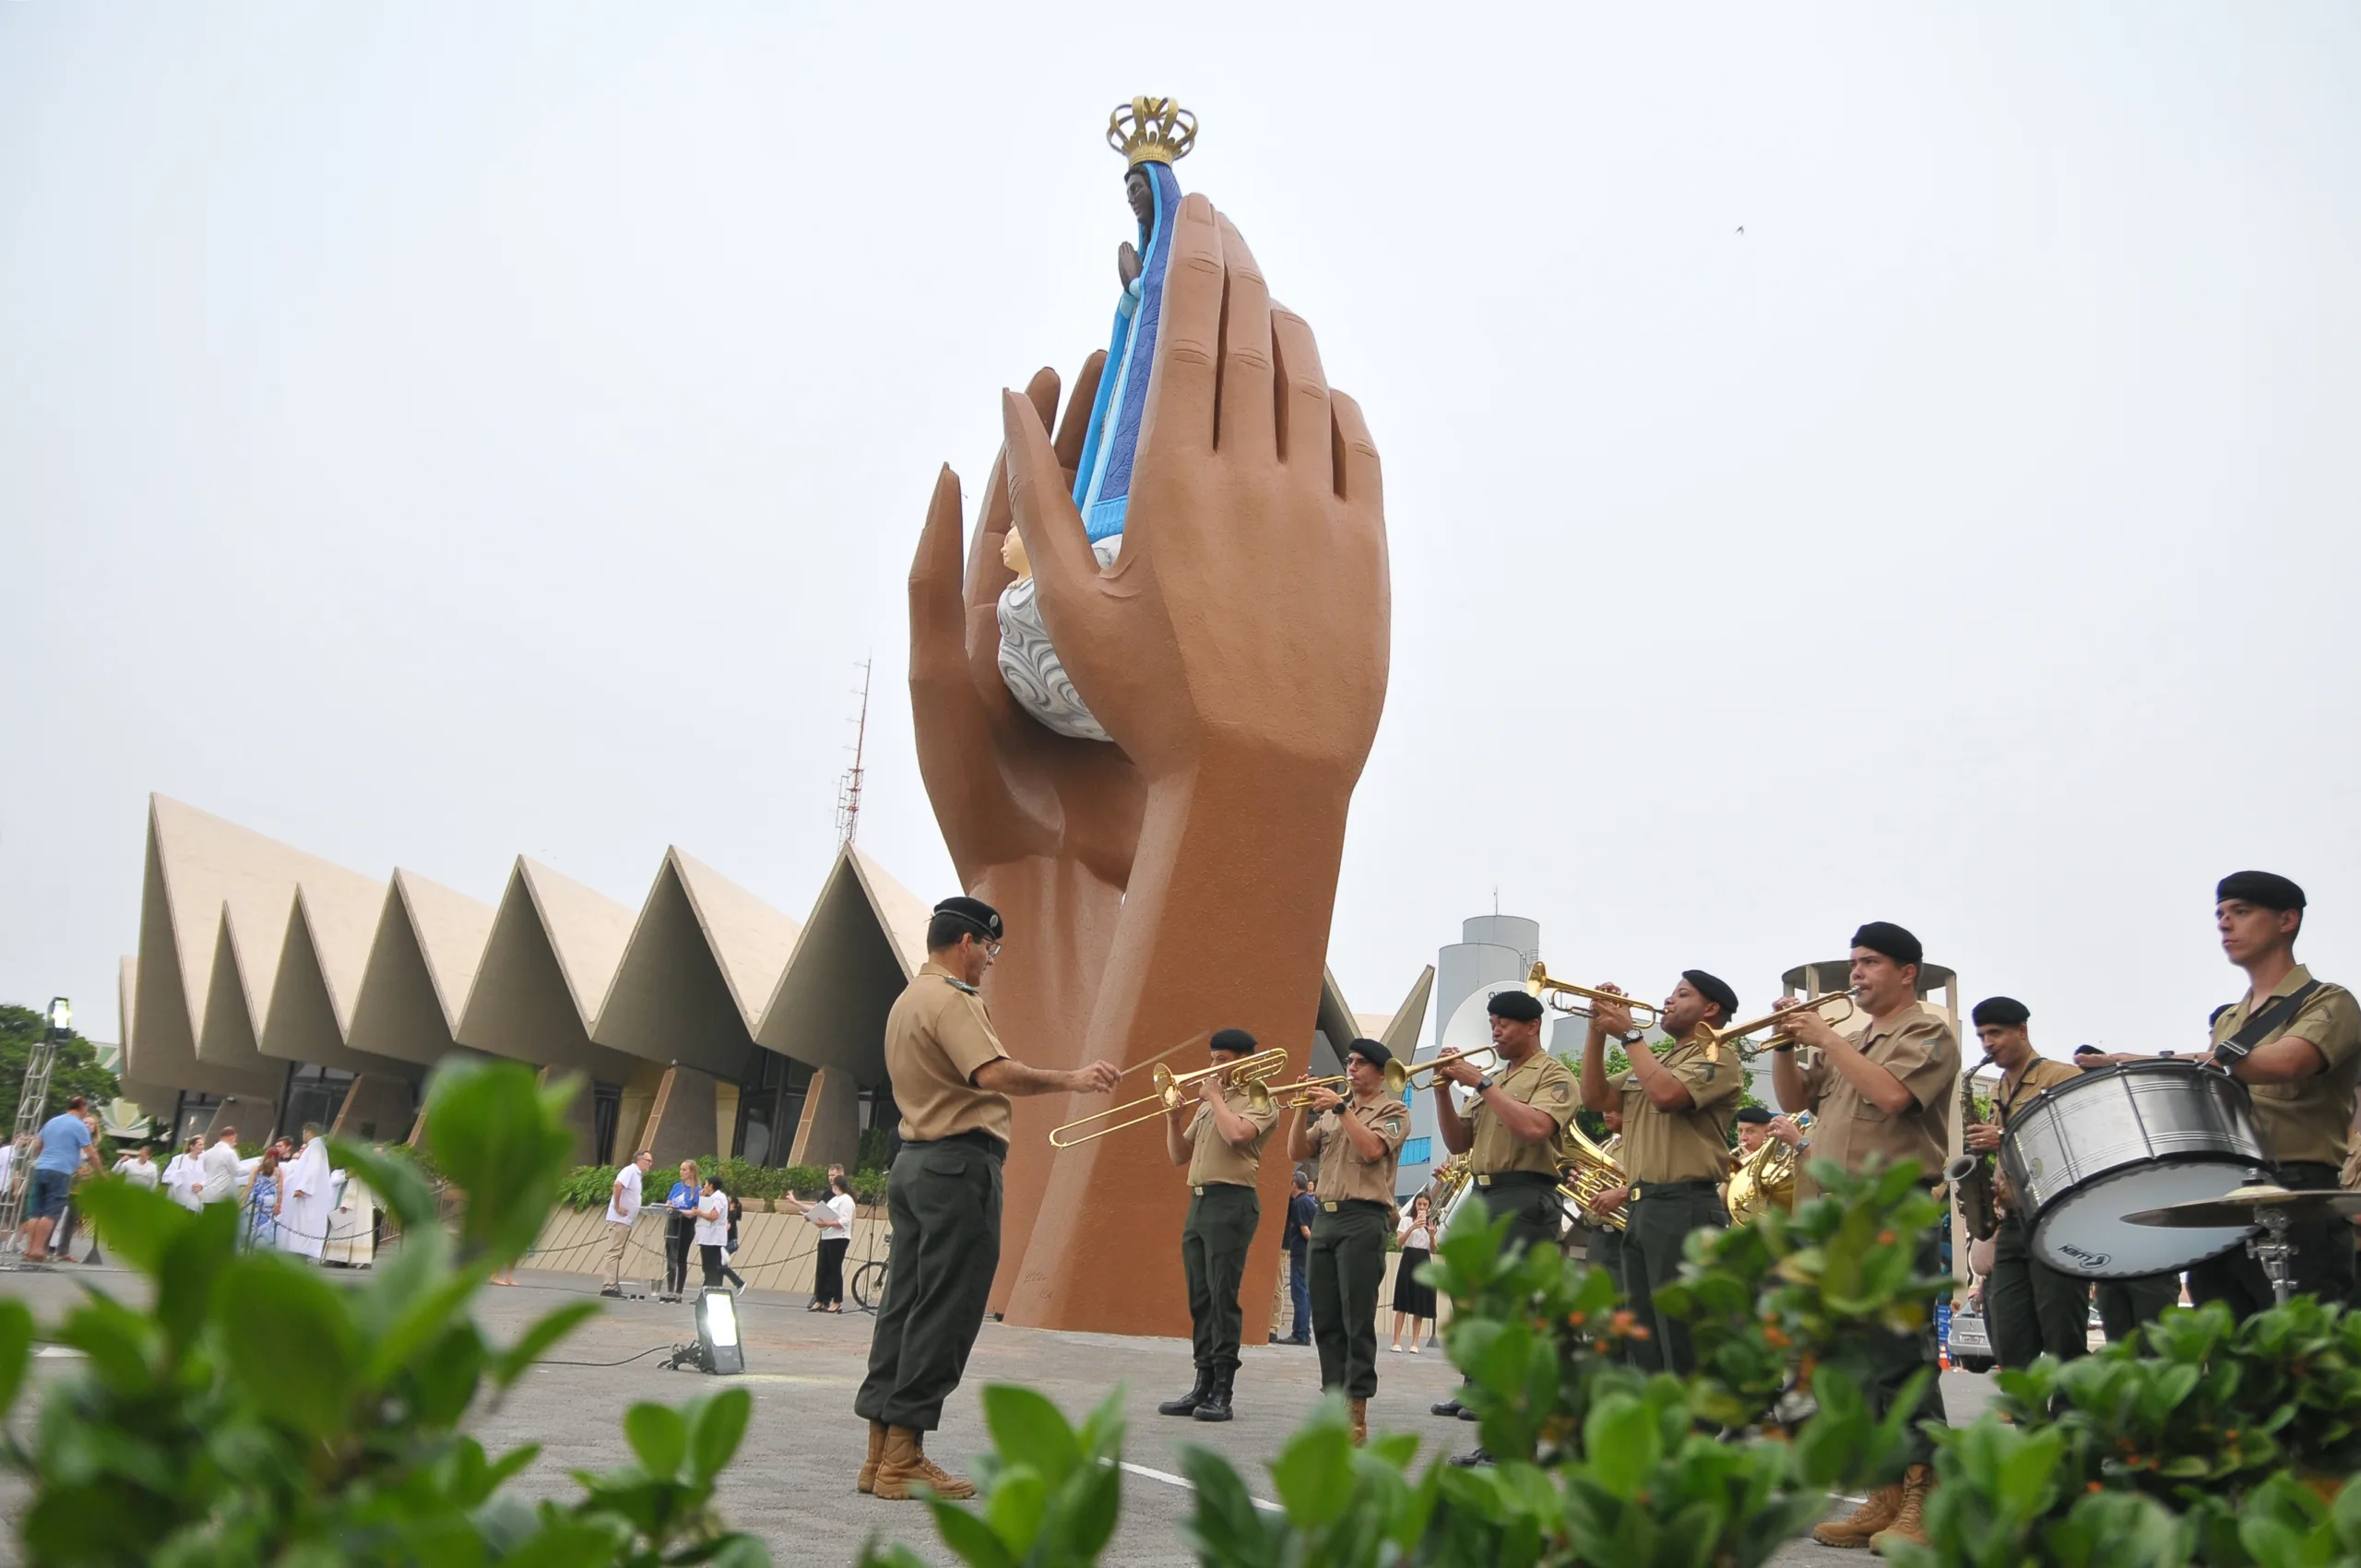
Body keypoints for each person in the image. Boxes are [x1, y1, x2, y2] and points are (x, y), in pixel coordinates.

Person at [854, 896, 1120, 1502]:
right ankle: (905, 1457)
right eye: (990, 951)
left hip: (914, 1162)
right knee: (947, 1309)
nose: (989, 964)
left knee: (903, 1304)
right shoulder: (952, 998)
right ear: (968, 942)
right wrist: (1072, 1079)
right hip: (958, 1166)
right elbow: (992, 1074)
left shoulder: (906, 1001)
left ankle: (879, 1454)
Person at [1770, 921, 1957, 1552]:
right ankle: (1882, 1495)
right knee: (1858, 1362)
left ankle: (1924, 1497)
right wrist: (1783, 1046)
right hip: (1838, 1213)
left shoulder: (1927, 1030)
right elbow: (1796, 1097)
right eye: (1854, 962)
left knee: (1903, 1358)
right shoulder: (1852, 1037)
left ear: (1907, 971)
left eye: (1870, 962)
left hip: (1892, 1207)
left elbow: (1895, 1095)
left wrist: (1823, 1035)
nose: (1857, 974)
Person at [2186, 872, 2360, 1318]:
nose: (2225, 924)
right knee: (2228, 1353)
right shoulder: (2230, 1020)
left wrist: (2174, 1060)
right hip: (2227, 1193)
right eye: (2221, 914)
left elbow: (2285, 1062)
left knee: (2305, 1359)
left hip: (2299, 1193)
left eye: (2241, 912)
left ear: (2287, 920)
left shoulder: (2328, 1002)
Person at [1427, 990, 1578, 1439]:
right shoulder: (1496, 1077)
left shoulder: (1554, 1075)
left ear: (1532, 1026)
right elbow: (1458, 1143)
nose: (1495, 1030)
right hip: (1484, 1192)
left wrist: (1482, 1084)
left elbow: (1535, 1128)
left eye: (1505, 1023)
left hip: (1526, 1194)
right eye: (1493, 1022)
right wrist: (1441, 1092)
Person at [1584, 972, 1744, 1377]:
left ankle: (1695, 1432)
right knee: (1644, 1335)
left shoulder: (1718, 1055)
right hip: (1644, 1207)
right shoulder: (1660, 1060)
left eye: (1682, 994)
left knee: (1679, 1334)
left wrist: (1629, 1034)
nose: (1668, 1000)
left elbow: (1668, 1096)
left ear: (1710, 1009)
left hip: (1684, 1205)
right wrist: (1596, 1031)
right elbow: (1596, 1097)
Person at [1288, 1039, 1409, 1446]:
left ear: (1379, 1072)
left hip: (1364, 1219)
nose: (1351, 1069)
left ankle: (1357, 1412)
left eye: (1360, 1063)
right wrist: (1299, 1106)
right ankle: (1333, 1402)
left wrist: (1340, 1110)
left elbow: (1373, 1149)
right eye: (1349, 1062)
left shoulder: (1394, 1110)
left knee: (1356, 1318)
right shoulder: (1333, 1110)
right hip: (1327, 1216)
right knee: (1324, 1318)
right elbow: (1297, 1150)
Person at [1157, 1028, 1281, 1423]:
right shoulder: (1215, 1102)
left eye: (1221, 1060)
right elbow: (1179, 1156)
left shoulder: (1260, 1099)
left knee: (1222, 1295)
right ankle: (1202, 1382)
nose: (1212, 1067)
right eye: (1212, 1059)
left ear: (1245, 1060)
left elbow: (1238, 1135)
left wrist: (1213, 1097)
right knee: (1200, 1296)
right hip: (1199, 1203)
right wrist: (1173, 1120)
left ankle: (1223, 1390)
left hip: (1232, 1203)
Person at [1960, 996, 2090, 1369]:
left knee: (2062, 1333)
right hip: (2014, 1218)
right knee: (2010, 1334)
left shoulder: (2061, 1077)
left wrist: (2004, 1138)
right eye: (1982, 1035)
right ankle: (2027, 1421)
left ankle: (2071, 1421)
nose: (1987, 1043)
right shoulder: (2001, 1085)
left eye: (1996, 1033)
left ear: (2022, 1030)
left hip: (2056, 1215)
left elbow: (2078, 1140)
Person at [21, 1096, 98, 1263]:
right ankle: (38, 1250)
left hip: (41, 1168)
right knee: (50, 1213)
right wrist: (101, 1172)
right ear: (83, 1107)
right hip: (61, 1171)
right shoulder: (78, 1125)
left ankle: (28, 1249)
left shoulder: (52, 1122)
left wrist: (46, 1156)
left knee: (35, 1212)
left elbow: (38, 1145)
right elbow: (91, 1153)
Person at [783, 1172, 857, 1311]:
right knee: (822, 1269)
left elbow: (845, 1221)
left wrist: (827, 1223)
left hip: (839, 1238)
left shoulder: (846, 1200)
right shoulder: (834, 1200)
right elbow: (817, 1210)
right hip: (826, 1236)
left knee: (835, 1269)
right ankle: (820, 1299)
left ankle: (837, 1300)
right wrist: (806, 1212)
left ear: (837, 1186)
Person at [600, 1150, 654, 1298]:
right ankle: (609, 1285)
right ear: (639, 1160)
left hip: (626, 1220)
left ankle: (612, 1283)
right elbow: (618, 1185)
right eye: (648, 1161)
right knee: (614, 1251)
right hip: (619, 1219)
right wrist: (617, 1206)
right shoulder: (630, 1171)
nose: (650, 1164)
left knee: (618, 1251)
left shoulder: (637, 1175)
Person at [1390, 1192, 1438, 1354]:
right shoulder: (1405, 1220)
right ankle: (1396, 1340)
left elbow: (1434, 1249)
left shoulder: (1431, 1223)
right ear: (1415, 1205)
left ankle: (1415, 1342)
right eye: (1419, 1204)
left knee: (1420, 1302)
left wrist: (1431, 1235)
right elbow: (1399, 1243)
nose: (1422, 1208)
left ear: (1429, 1206)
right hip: (1408, 1258)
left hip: (1423, 1260)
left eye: (1425, 1205)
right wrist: (1413, 1227)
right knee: (1402, 1300)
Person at [279, 1125, 331, 1264]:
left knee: (302, 1225)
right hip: (308, 1195)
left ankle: (299, 1254)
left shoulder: (315, 1147)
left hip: (307, 1196)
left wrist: (303, 1187)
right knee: (300, 1225)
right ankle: (297, 1253)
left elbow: (312, 1169)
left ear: (308, 1132)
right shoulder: (316, 1146)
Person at [1283, 1171, 1316, 1345]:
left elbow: (1305, 1230)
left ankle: (1300, 1333)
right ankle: (1304, 1332)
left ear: (1294, 1184)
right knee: (1305, 1293)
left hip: (1301, 1253)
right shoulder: (1309, 1202)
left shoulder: (1299, 1203)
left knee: (1299, 1292)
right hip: (1307, 1254)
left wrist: (1315, 1244)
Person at [661, 1160, 701, 1302]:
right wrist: (669, 1206)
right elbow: (669, 1202)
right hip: (673, 1223)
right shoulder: (677, 1187)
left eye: (684, 1170)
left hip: (686, 1225)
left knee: (681, 1258)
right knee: (670, 1256)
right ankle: (670, 1290)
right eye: (680, 1169)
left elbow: (695, 1211)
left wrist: (681, 1211)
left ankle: (679, 1291)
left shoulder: (697, 1190)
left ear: (691, 1172)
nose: (681, 1172)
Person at [692, 1176, 730, 1289]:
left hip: (713, 1239)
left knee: (711, 1268)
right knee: (707, 1268)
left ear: (711, 1186)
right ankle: (706, 1293)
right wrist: (702, 1197)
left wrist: (699, 1213)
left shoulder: (718, 1198)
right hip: (707, 1238)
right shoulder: (712, 1197)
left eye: (706, 1184)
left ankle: (712, 1290)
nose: (704, 1187)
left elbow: (714, 1215)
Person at [244, 1150, 283, 1250]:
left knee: (252, 1223)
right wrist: (279, 1203)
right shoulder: (278, 1171)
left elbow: (250, 1185)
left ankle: (249, 1247)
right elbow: (280, 1190)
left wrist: (245, 1199)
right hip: (269, 1199)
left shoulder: (256, 1169)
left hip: (255, 1198)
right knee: (266, 1224)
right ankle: (263, 1248)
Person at [718, 1184, 749, 1295]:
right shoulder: (731, 1214)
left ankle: (739, 1283)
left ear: (733, 1204)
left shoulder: (730, 1214)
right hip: (730, 1242)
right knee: (719, 1266)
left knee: (720, 1265)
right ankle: (718, 1287)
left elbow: (728, 1227)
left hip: (729, 1243)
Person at [200, 1127, 243, 1206]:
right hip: (222, 1195)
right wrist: (254, 1167)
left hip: (207, 1194)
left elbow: (204, 1170)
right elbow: (238, 1172)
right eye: (235, 1138)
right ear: (232, 1137)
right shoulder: (229, 1152)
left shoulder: (208, 1153)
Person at [162, 1135, 207, 1213]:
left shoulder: (205, 1162)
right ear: (192, 1147)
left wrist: (202, 1185)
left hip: (194, 1202)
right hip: (179, 1199)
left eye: (203, 1144)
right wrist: (176, 1175)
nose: (202, 1147)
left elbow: (209, 1178)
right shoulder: (179, 1160)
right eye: (199, 1144)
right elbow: (166, 1177)